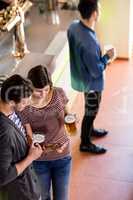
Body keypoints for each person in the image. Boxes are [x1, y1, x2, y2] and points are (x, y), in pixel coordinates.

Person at [67, 0, 115, 154]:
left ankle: (91, 130)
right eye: (98, 9)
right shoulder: (89, 42)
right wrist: (107, 57)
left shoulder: (73, 26)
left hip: (80, 77)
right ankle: (85, 143)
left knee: (90, 108)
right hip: (92, 83)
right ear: (94, 14)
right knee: (91, 111)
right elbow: (96, 71)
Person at [21, 65, 72, 200]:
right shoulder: (24, 106)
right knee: (43, 197)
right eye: (38, 91)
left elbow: (67, 114)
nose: (43, 94)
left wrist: (71, 120)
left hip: (63, 156)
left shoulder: (59, 93)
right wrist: (50, 148)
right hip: (40, 161)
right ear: (30, 87)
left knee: (62, 197)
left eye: (46, 89)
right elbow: (30, 140)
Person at [0, 74, 43, 200]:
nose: (27, 104)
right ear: (11, 101)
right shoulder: (5, 132)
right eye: (24, 102)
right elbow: (3, 176)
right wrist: (31, 157)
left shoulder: (10, 108)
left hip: (29, 183)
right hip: (21, 192)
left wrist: (26, 140)